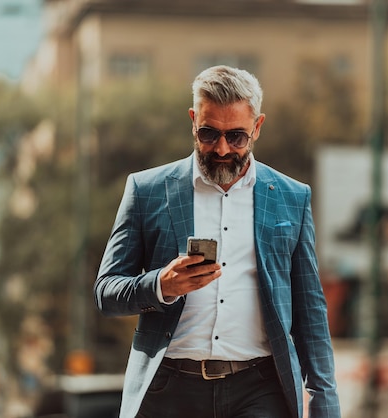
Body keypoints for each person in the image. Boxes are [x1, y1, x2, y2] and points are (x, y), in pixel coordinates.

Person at [95, 65, 341, 418]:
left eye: (237, 136)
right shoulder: (146, 191)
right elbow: (106, 293)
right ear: (193, 121)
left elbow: (310, 311)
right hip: (169, 391)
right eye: (209, 134)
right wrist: (161, 285)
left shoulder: (292, 197)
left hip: (259, 390)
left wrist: (324, 404)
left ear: (257, 127)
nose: (222, 148)